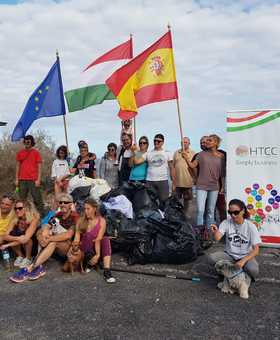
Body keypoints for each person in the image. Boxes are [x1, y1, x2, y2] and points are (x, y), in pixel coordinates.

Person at [10, 193, 78, 283]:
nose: (62, 204)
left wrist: (49, 238)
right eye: (60, 202)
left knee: (53, 241)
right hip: (53, 245)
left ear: (71, 204)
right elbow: (46, 224)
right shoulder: (58, 215)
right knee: (40, 232)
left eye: (66, 202)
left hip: (68, 248)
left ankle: (31, 267)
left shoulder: (75, 217)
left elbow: (68, 235)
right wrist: (45, 231)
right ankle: (39, 267)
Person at [208, 199, 261, 281]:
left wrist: (242, 261)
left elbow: (256, 250)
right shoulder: (226, 222)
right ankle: (232, 270)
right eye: (230, 212)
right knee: (211, 259)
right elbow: (217, 238)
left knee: (253, 271)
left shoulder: (250, 226)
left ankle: (235, 270)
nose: (233, 215)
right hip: (230, 255)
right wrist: (215, 232)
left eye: (236, 212)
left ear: (243, 211)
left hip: (245, 256)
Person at [183, 134, 225, 229]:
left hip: (214, 186)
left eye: (210, 140)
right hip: (201, 186)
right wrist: (186, 158)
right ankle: (200, 232)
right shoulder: (201, 154)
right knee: (200, 210)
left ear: (216, 143)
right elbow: (192, 166)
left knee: (210, 210)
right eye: (206, 140)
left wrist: (223, 186)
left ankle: (210, 231)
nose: (207, 142)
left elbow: (222, 173)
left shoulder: (221, 156)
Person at [74, 198, 116, 283]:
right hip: (84, 250)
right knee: (88, 236)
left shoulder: (102, 221)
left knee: (105, 239)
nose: (86, 211)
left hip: (95, 249)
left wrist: (97, 255)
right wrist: (75, 248)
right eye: (84, 209)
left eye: (88, 209)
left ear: (94, 209)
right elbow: (77, 239)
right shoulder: (80, 221)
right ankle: (88, 263)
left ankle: (107, 271)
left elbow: (98, 239)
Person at [133, 134, 176, 207]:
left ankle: (163, 217)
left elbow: (172, 168)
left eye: (158, 141)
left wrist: (174, 183)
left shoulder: (167, 152)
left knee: (164, 202)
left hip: (163, 181)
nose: (156, 142)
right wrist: (136, 151)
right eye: (155, 141)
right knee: (150, 203)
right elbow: (136, 161)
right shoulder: (148, 153)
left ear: (162, 142)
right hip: (150, 181)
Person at [1, 200, 40, 268]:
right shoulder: (15, 220)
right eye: (15, 208)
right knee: (12, 234)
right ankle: (21, 256)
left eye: (20, 208)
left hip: (32, 248)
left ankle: (28, 258)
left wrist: (8, 245)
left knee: (27, 239)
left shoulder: (34, 220)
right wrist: (17, 238)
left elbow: (25, 239)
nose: (17, 210)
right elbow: (5, 236)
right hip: (20, 246)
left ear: (27, 208)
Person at [15, 135, 45, 216]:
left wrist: (38, 179)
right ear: (24, 142)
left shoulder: (36, 153)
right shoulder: (20, 153)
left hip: (33, 179)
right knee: (22, 199)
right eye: (26, 140)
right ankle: (22, 215)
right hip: (22, 179)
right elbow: (17, 166)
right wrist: (16, 179)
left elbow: (39, 167)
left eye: (29, 141)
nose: (27, 142)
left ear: (32, 142)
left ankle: (41, 215)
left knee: (37, 198)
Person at [173, 137, 196, 217]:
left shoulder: (193, 153)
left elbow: (194, 167)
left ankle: (185, 213)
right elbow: (173, 167)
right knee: (176, 199)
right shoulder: (176, 153)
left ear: (189, 143)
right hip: (177, 181)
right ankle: (177, 214)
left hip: (188, 180)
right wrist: (173, 181)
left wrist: (195, 179)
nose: (184, 143)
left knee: (187, 200)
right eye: (182, 142)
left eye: (186, 142)